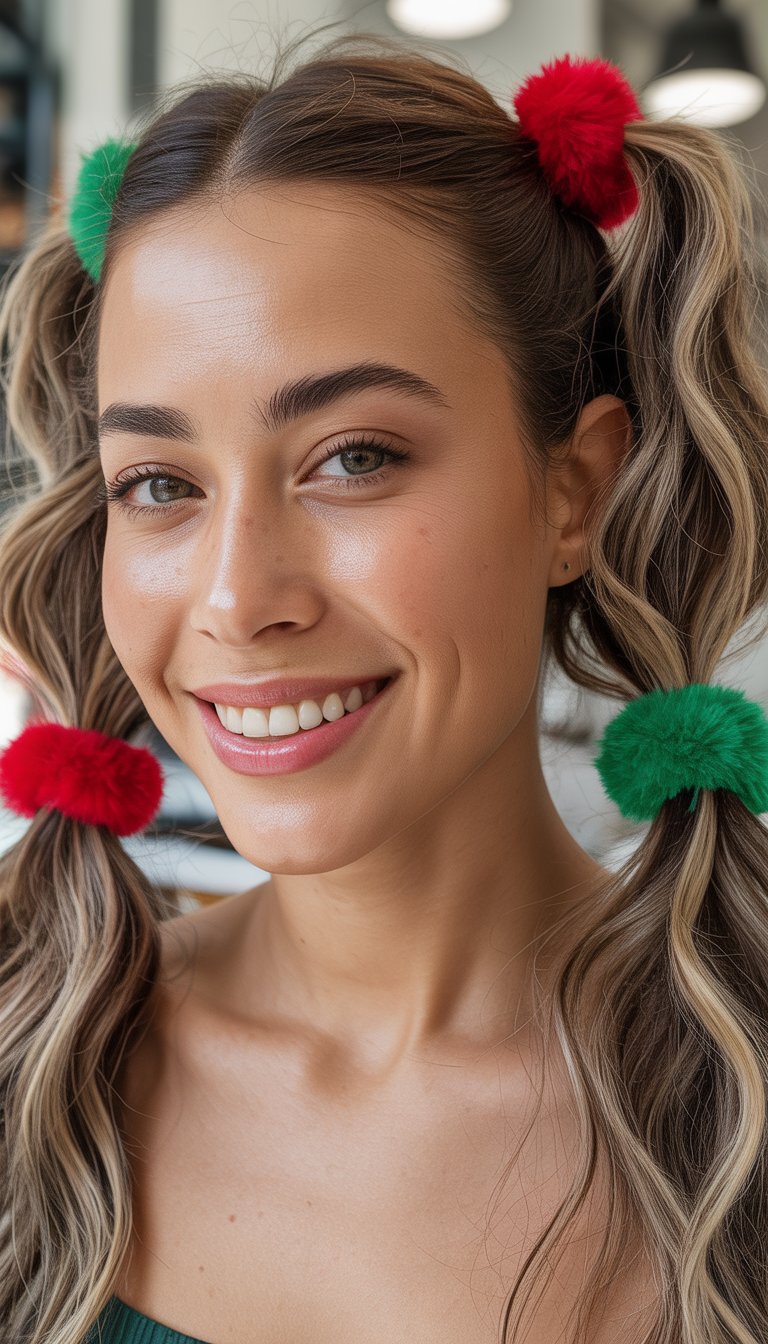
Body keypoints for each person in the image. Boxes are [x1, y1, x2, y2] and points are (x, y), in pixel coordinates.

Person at [1, 21, 768, 1344]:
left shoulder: (740, 1103)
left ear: (574, 489)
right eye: (163, 486)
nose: (241, 599)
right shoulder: (28, 1073)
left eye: (353, 457)